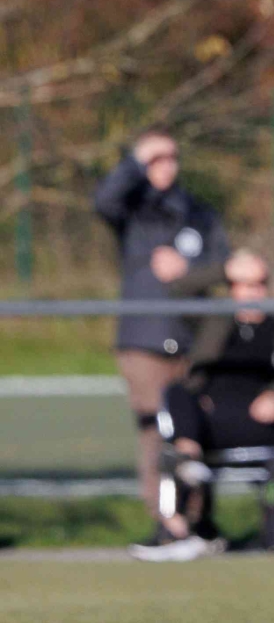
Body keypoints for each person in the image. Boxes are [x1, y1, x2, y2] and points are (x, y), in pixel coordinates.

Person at [132, 248, 274, 562]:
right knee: (177, 392)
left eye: (258, 284)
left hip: (258, 422)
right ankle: (178, 514)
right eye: (243, 284)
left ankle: (195, 512)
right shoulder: (213, 321)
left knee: (179, 436)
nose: (251, 292)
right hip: (208, 423)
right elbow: (179, 290)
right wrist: (225, 269)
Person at [93, 130, 231, 524]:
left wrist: (189, 271)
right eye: (154, 159)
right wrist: (135, 161)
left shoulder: (199, 213)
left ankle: (199, 519)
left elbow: (224, 266)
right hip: (145, 341)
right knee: (156, 427)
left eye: (170, 157)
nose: (164, 165)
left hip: (193, 341)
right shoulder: (132, 209)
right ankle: (168, 521)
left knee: (197, 426)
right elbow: (103, 201)